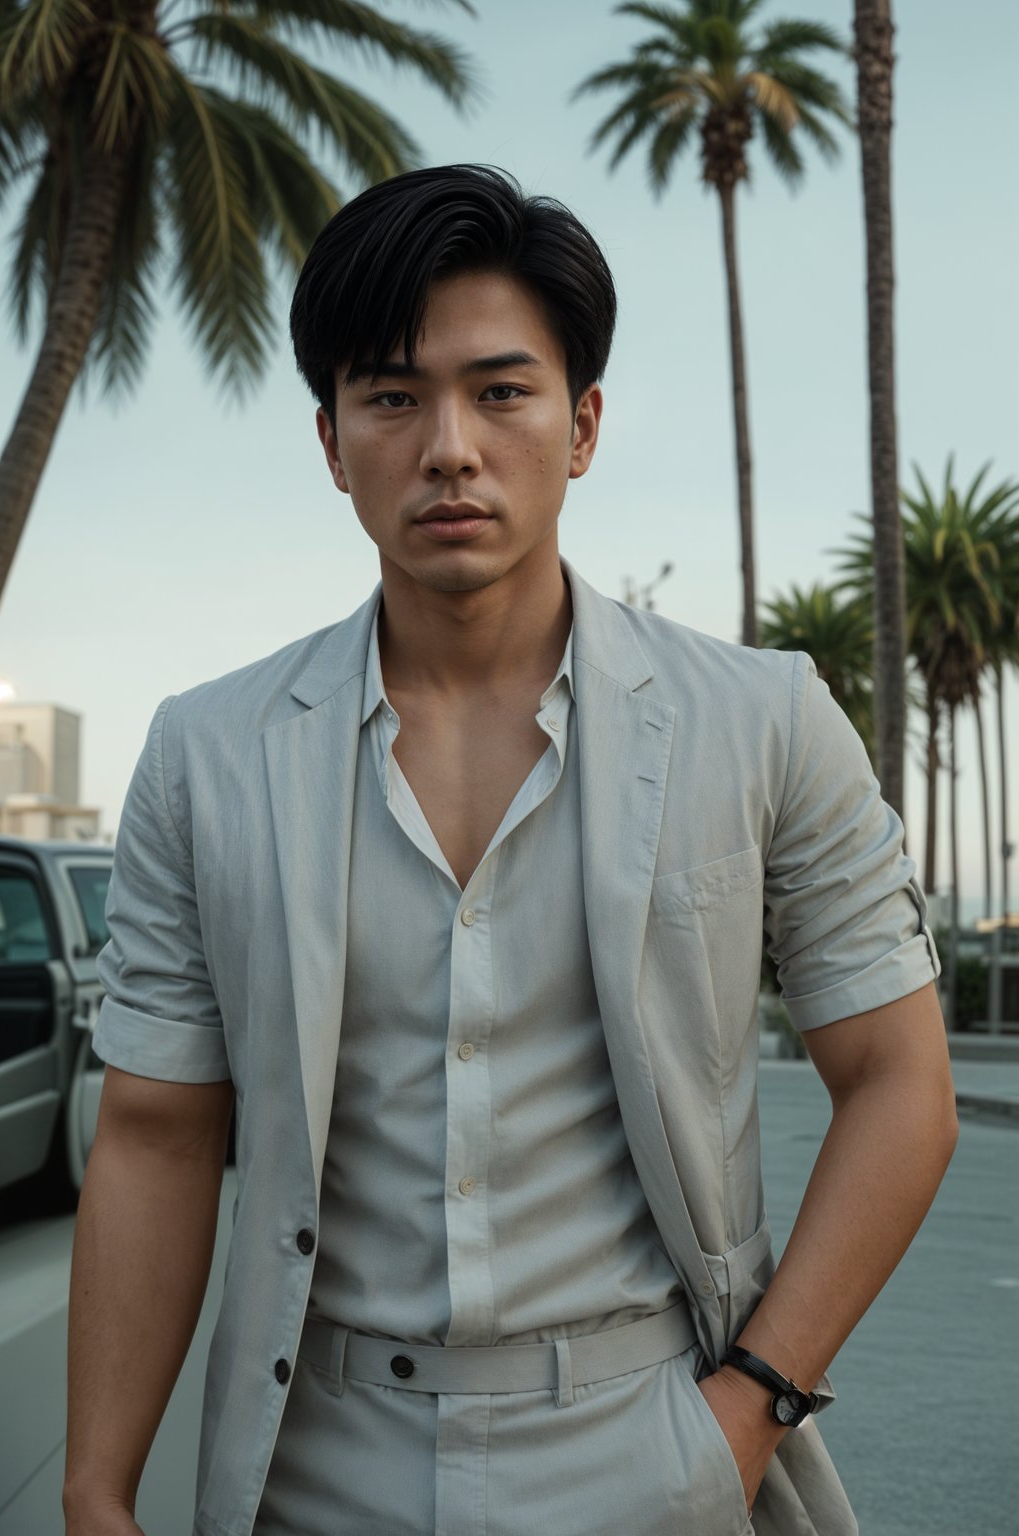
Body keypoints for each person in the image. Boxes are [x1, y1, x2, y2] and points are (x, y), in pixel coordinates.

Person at [63, 165, 957, 1536]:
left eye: (500, 390)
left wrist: (749, 1408)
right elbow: (158, 1135)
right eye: (391, 396)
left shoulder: (761, 720)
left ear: (582, 422)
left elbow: (901, 1081)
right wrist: (96, 1489)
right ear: (330, 438)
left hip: (651, 1443)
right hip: (316, 1462)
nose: (450, 448)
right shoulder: (209, 753)